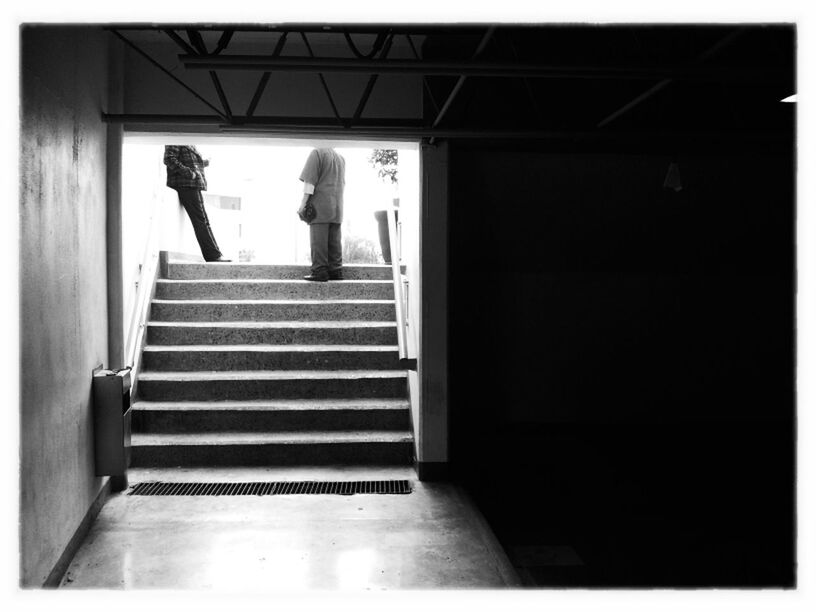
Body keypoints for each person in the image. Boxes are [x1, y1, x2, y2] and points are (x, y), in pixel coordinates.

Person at [163, 145, 230, 263]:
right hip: (186, 184)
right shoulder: (177, 138)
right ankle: (213, 256)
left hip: (192, 185)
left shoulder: (186, 141)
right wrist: (190, 173)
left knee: (203, 221)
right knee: (200, 221)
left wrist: (203, 163)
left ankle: (215, 254)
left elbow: (190, 162)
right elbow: (169, 158)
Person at [298, 148, 346, 281]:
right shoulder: (340, 158)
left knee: (318, 240)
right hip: (337, 206)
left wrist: (303, 204)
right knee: (334, 241)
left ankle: (319, 271)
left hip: (321, 204)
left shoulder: (317, 153)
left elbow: (310, 181)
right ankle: (336, 271)